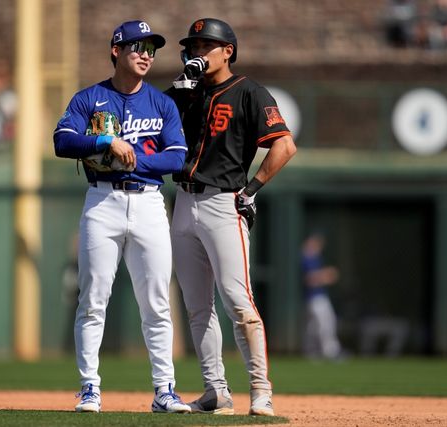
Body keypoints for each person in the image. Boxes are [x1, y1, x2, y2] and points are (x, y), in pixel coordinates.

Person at [52, 20, 191, 414]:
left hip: (149, 203)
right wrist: (105, 141)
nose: (146, 55)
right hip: (103, 203)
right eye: (138, 47)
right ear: (117, 51)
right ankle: (89, 388)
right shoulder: (89, 98)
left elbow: (176, 157)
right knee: (93, 300)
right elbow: (62, 141)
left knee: (157, 303)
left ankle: (164, 390)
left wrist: (129, 159)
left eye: (151, 49)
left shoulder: (162, 104)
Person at [166, 18, 297, 416]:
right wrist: (174, 94)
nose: (199, 52)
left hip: (223, 203)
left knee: (238, 302)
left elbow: (284, 146)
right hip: (183, 201)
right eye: (194, 46)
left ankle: (261, 390)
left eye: (207, 45)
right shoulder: (184, 93)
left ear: (228, 52)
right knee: (196, 306)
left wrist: (251, 189)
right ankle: (216, 391)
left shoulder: (249, 92)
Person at [301, 232, 342, 360]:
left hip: (317, 297)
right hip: (315, 297)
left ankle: (312, 351)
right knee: (325, 323)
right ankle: (330, 351)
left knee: (313, 326)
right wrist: (327, 275)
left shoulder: (316, 259)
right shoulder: (306, 259)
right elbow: (310, 279)